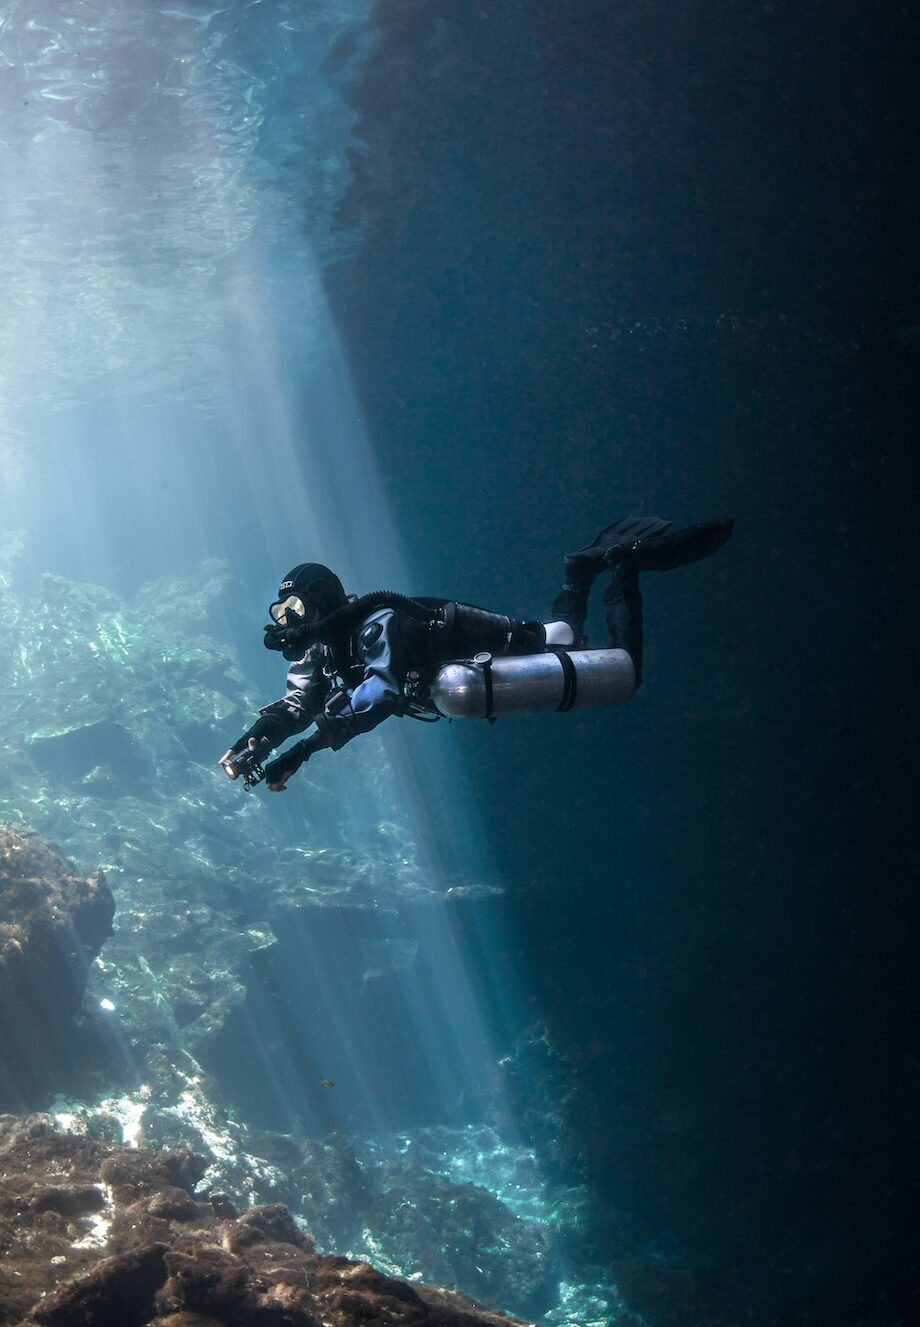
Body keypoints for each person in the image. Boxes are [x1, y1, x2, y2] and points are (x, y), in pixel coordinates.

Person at [218, 516, 733, 791]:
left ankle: (623, 571)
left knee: (614, 668)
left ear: (322, 603)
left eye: (293, 610)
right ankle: (579, 572)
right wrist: (253, 744)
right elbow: (295, 706)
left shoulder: (378, 623)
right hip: (469, 671)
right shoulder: (324, 651)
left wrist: (302, 754)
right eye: (280, 613)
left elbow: (382, 689)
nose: (286, 624)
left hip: (501, 648)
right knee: (563, 634)